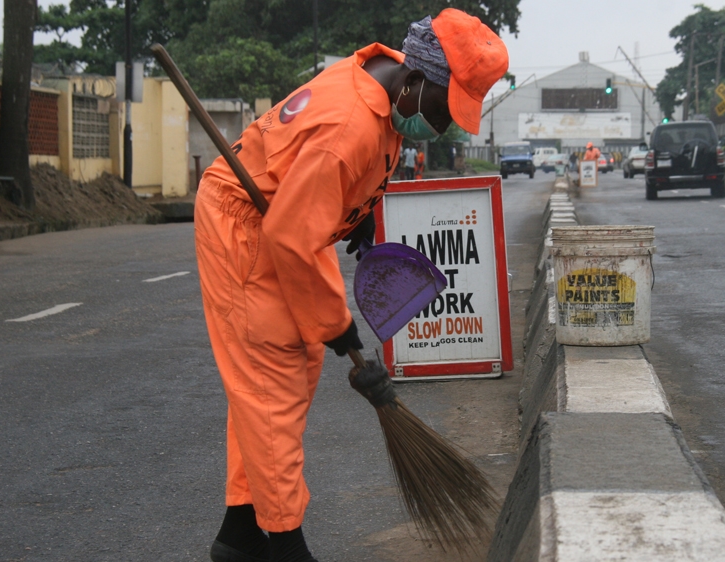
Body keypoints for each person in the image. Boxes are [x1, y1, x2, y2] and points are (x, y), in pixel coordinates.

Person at [193, 9, 508, 562]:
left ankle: (239, 533)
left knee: (282, 380)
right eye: (440, 110)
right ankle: (288, 547)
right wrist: (338, 327)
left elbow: (332, 181)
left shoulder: (381, 84)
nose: (441, 126)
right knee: (274, 381)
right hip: (246, 222)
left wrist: (357, 213)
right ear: (414, 82)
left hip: (277, 216)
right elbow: (293, 234)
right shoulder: (348, 127)